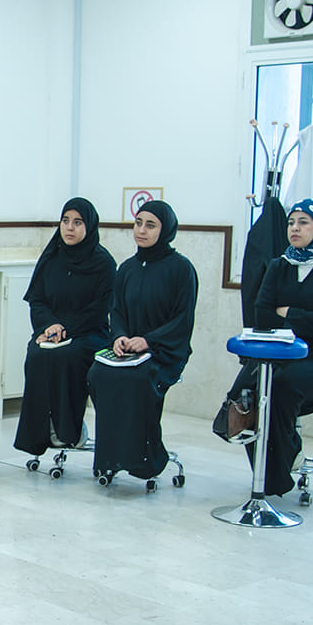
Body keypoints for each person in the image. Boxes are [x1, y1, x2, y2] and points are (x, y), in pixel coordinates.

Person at [212, 198, 313, 496]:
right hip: (277, 352)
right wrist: (309, 316)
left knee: (282, 384)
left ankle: (280, 467)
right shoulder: (280, 265)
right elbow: (261, 313)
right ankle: (271, 471)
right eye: (291, 222)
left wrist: (287, 312)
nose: (294, 228)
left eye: (303, 222)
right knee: (248, 389)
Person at [86, 200, 197, 483]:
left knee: (139, 378)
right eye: (138, 223)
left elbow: (182, 320)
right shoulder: (127, 269)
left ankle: (146, 459)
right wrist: (119, 337)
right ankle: (111, 456)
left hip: (164, 352)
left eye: (150, 225)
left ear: (165, 230)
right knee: (98, 374)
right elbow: (117, 311)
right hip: (127, 351)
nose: (142, 230)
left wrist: (148, 341)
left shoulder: (181, 269)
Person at [13, 197, 113, 459]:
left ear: (89, 226)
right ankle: (39, 434)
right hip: (50, 331)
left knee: (69, 355)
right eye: (65, 221)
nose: (69, 227)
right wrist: (49, 326)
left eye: (77, 222)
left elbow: (99, 309)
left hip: (89, 333)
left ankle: (68, 429)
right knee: (37, 354)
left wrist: (65, 329)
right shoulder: (52, 257)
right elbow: (37, 299)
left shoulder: (103, 263)